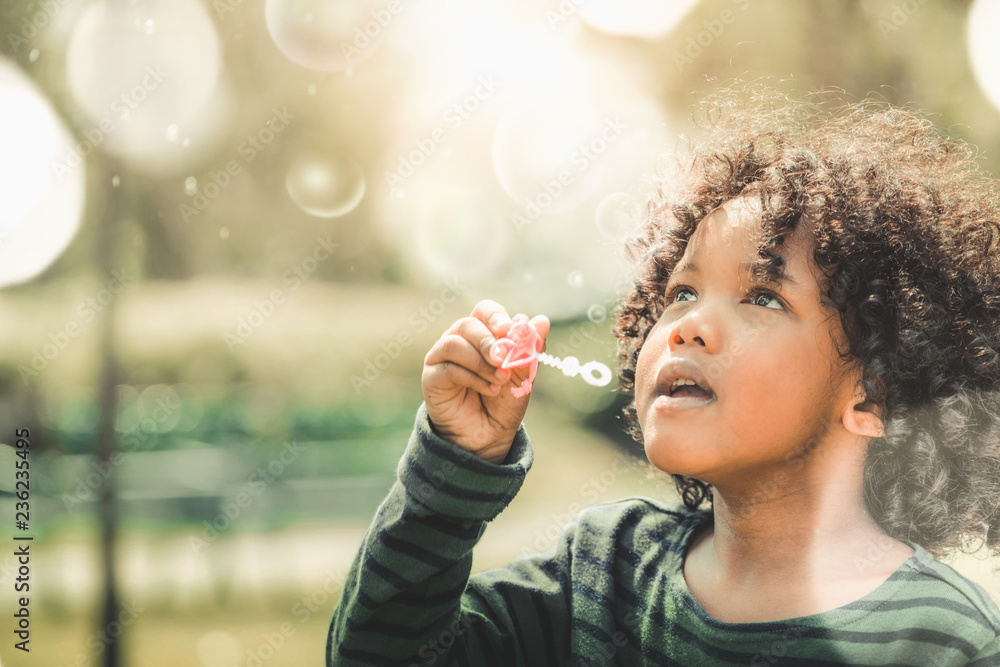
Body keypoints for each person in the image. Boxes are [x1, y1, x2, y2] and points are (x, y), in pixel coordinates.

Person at [327, 87, 1000, 665]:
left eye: (763, 295)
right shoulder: (603, 575)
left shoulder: (945, 639)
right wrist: (455, 467)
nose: (688, 326)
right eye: (681, 291)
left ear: (874, 393)